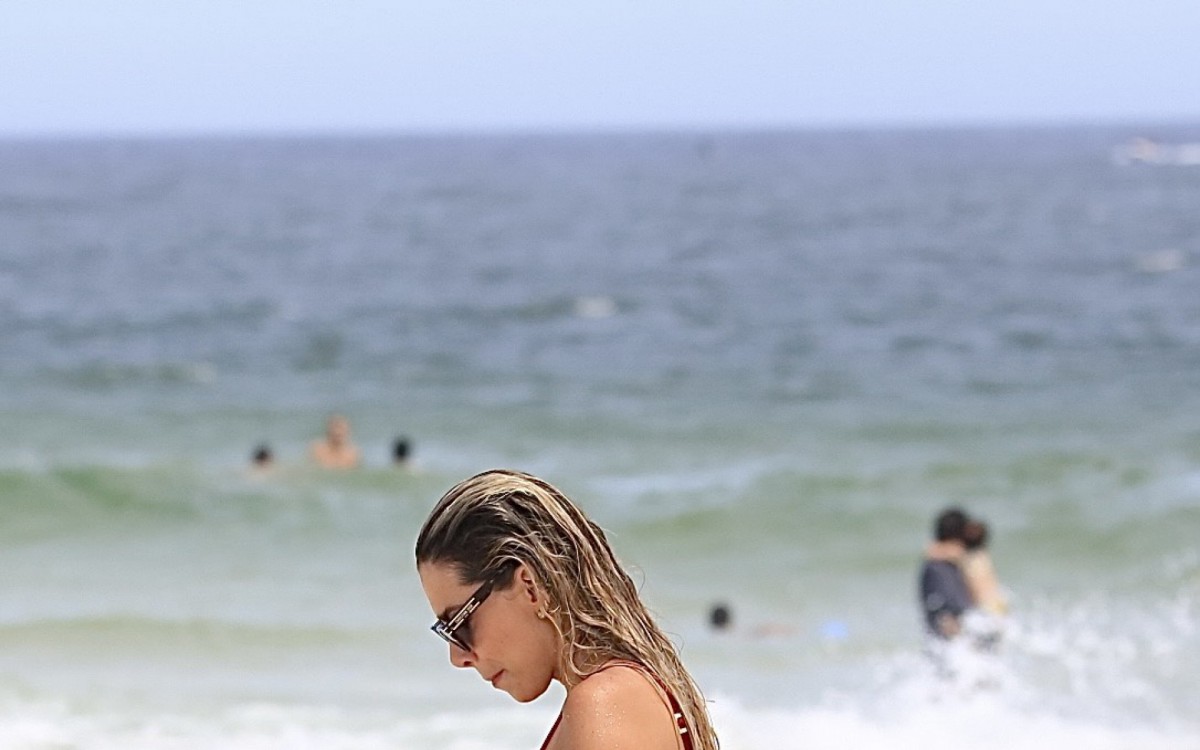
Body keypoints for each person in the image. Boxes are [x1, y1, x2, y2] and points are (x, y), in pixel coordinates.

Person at [415, 470, 718, 750]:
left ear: (529, 587)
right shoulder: (622, 695)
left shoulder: (606, 704)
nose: (458, 657)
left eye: (459, 625)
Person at [918, 507, 974, 640]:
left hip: (946, 643)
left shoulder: (938, 565)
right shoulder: (939, 568)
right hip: (953, 642)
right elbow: (946, 611)